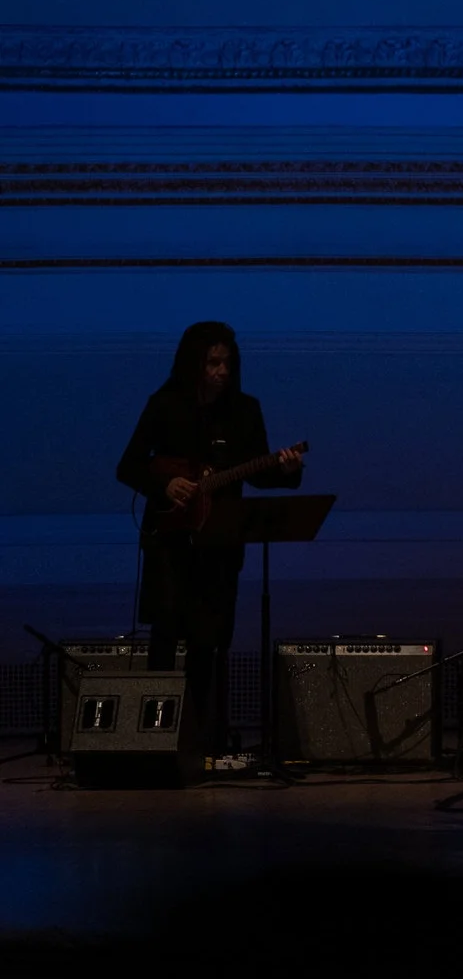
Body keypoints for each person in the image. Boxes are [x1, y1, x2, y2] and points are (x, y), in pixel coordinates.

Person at [115, 321, 304, 769]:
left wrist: (287, 470)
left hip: (219, 545)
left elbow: (257, 473)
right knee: (165, 636)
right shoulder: (164, 406)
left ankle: (201, 741)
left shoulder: (244, 411)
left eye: (227, 363)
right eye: (213, 362)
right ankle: (155, 741)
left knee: (209, 641)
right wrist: (167, 485)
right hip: (169, 543)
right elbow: (128, 467)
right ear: (194, 363)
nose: (221, 371)